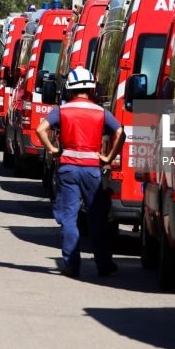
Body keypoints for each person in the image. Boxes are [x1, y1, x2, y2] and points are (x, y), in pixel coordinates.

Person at [36, 66, 124, 279]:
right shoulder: (100, 111)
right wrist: (109, 158)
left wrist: (53, 149)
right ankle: (103, 264)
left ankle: (71, 265)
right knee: (97, 218)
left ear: (70, 88)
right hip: (92, 170)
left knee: (69, 217)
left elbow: (40, 129)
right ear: (91, 88)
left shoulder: (63, 110)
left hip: (67, 169)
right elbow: (121, 133)